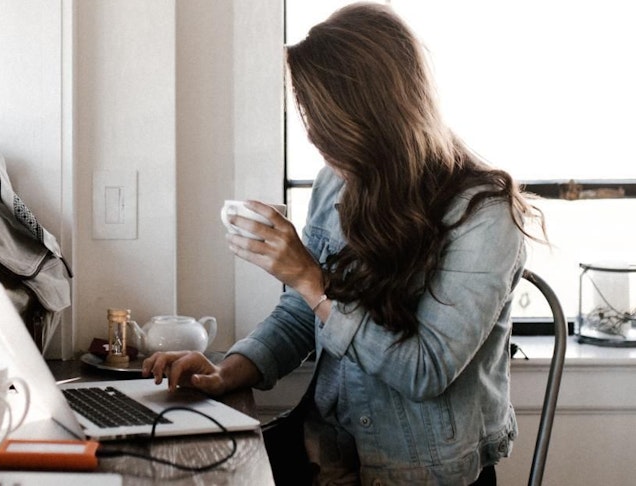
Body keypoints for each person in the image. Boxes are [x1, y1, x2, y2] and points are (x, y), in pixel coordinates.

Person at [142, 3, 544, 485]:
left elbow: (425, 370)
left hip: (421, 472)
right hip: (328, 451)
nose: (315, 137)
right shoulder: (337, 182)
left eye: (324, 121)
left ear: (372, 115)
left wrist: (311, 279)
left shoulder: (484, 215)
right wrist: (229, 370)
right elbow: (302, 313)